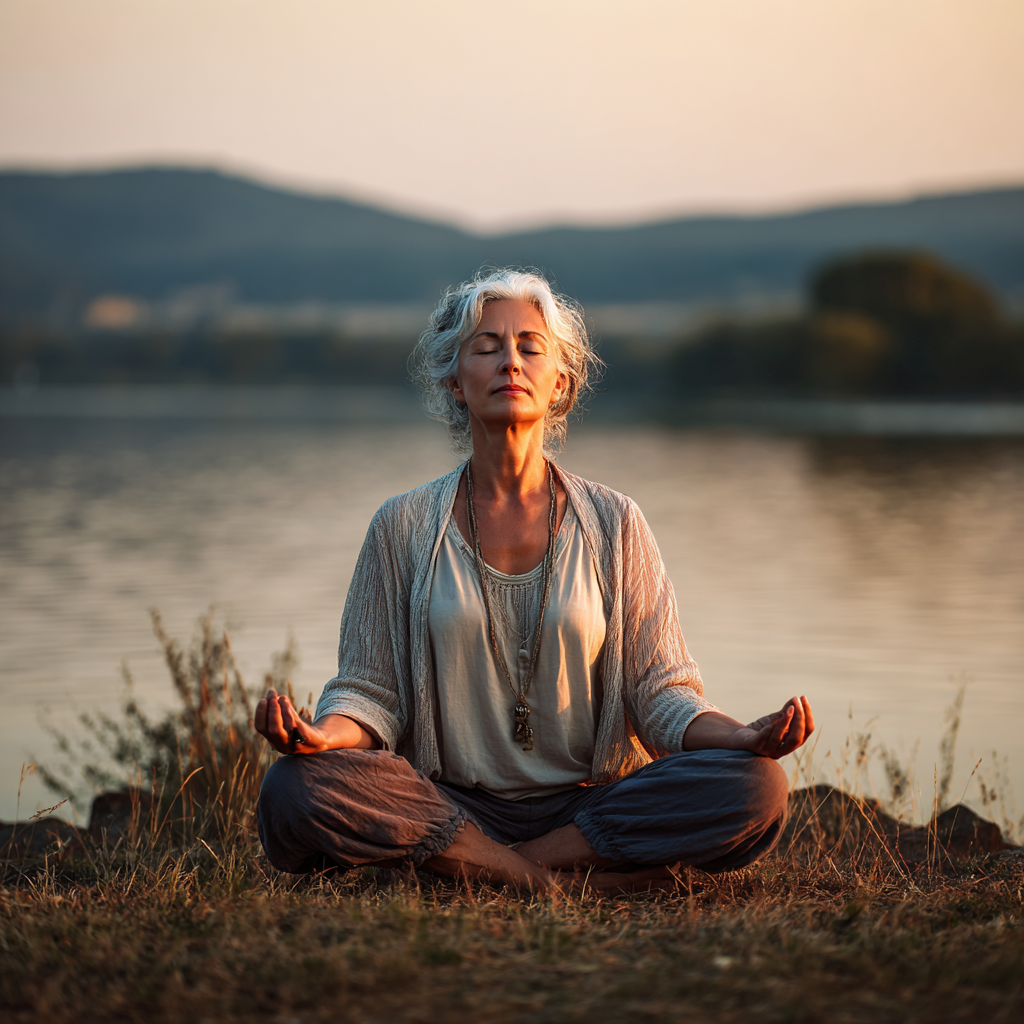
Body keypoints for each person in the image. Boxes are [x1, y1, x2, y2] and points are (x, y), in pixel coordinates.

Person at [254, 268, 814, 893]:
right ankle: (562, 883)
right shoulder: (403, 525)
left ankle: (473, 866)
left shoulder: (614, 522)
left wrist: (741, 736)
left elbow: (662, 696)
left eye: (529, 347)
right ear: (454, 382)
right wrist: (320, 735)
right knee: (294, 788)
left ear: (561, 383)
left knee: (754, 785)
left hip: (582, 805)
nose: (509, 363)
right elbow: (369, 691)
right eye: (486, 347)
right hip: (448, 801)